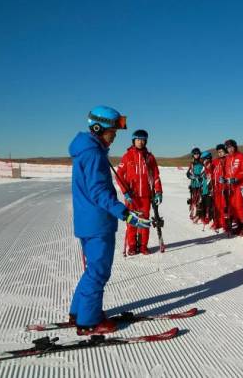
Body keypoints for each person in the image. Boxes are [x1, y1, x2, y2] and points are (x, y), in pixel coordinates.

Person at [68, 106, 150, 335]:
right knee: (99, 272)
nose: (114, 134)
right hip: (97, 223)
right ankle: (89, 322)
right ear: (98, 128)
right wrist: (125, 213)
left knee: (93, 270)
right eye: (112, 130)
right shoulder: (93, 153)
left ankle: (79, 312)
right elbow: (98, 192)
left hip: (89, 221)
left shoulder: (88, 150)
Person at [116, 129, 163, 256]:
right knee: (132, 220)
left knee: (144, 221)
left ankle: (143, 246)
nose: (140, 142)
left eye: (143, 140)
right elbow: (119, 175)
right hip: (132, 196)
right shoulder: (127, 156)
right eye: (138, 139)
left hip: (146, 196)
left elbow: (156, 176)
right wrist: (125, 192)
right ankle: (132, 246)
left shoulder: (150, 157)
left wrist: (158, 192)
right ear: (133, 140)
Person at [223, 139, 243, 235]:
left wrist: (236, 178)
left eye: (231, 147)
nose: (230, 149)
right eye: (228, 148)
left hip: (239, 185)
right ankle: (238, 225)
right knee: (233, 207)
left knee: (239, 206)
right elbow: (227, 173)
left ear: (235, 146)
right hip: (231, 187)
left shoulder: (241, 156)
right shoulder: (228, 158)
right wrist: (225, 179)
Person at [211, 144, 228, 231]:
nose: (220, 153)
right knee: (217, 206)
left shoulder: (227, 160)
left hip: (224, 187)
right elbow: (211, 172)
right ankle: (217, 222)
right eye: (218, 152)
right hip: (216, 187)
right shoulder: (215, 161)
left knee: (224, 206)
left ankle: (225, 224)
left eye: (221, 151)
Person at [186, 147, 204, 222]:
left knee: (199, 199)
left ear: (199, 154)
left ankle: (198, 214)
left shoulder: (202, 163)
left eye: (197, 154)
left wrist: (200, 176)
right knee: (193, 199)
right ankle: (192, 212)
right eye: (195, 154)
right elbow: (188, 173)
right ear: (193, 155)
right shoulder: (192, 164)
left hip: (200, 184)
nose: (196, 155)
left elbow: (204, 172)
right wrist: (191, 176)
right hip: (193, 185)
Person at [198, 151, 214, 225]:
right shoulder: (204, 166)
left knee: (208, 203)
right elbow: (202, 175)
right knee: (204, 202)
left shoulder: (210, 165)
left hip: (209, 188)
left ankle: (208, 217)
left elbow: (210, 176)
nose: (202, 161)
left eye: (203, 159)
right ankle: (203, 216)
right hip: (204, 187)